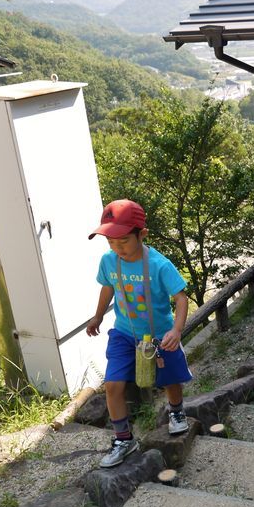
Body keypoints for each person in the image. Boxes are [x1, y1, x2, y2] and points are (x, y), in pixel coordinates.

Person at [86, 199, 192, 467]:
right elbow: (107, 288)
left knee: (169, 379)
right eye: (111, 241)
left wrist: (176, 330)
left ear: (141, 234)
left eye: (123, 241)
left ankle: (176, 411)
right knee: (112, 384)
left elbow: (181, 297)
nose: (117, 247)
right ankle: (123, 439)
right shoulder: (109, 261)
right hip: (123, 333)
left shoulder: (159, 265)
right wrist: (98, 316)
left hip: (159, 334)